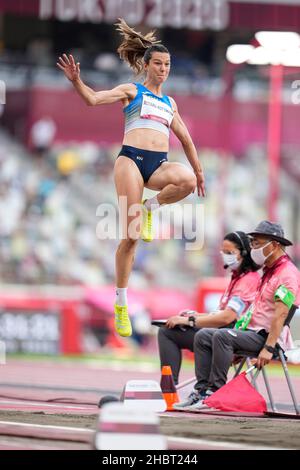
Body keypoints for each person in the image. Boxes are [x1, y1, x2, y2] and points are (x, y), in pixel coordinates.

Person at [57, 19, 205, 338]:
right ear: (147, 65)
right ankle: (121, 303)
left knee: (187, 181)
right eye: (158, 63)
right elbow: (93, 100)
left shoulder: (170, 103)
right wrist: (76, 82)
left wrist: (200, 172)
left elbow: (187, 140)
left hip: (159, 165)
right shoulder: (132, 90)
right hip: (131, 161)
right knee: (132, 236)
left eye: (167, 65)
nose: (163, 69)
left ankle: (151, 207)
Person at [174, 221, 300, 411]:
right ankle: (202, 391)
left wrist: (268, 347)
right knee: (203, 335)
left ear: (274, 245)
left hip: (268, 338)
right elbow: (253, 312)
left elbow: (281, 314)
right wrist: (239, 336)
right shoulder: (268, 271)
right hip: (253, 333)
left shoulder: (287, 274)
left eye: (257, 243)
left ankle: (215, 394)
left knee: (222, 335)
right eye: (252, 243)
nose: (253, 248)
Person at [158, 231, 260, 385]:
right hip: (220, 331)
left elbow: (227, 318)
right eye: (223, 252)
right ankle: (169, 388)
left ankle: (179, 389)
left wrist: (189, 321)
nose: (225, 256)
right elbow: (221, 314)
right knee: (167, 329)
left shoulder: (248, 280)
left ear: (244, 253)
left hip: (229, 336)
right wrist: (195, 316)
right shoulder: (236, 278)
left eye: (230, 252)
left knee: (168, 333)